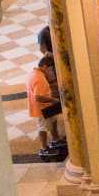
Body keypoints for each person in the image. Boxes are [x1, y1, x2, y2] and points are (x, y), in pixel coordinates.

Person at [28, 29, 64, 159]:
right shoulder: (38, 78)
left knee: (53, 120)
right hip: (41, 109)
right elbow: (38, 97)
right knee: (43, 128)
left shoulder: (40, 73)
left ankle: (55, 139)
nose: (51, 72)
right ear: (45, 67)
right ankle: (43, 148)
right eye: (50, 70)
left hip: (48, 105)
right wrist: (54, 100)